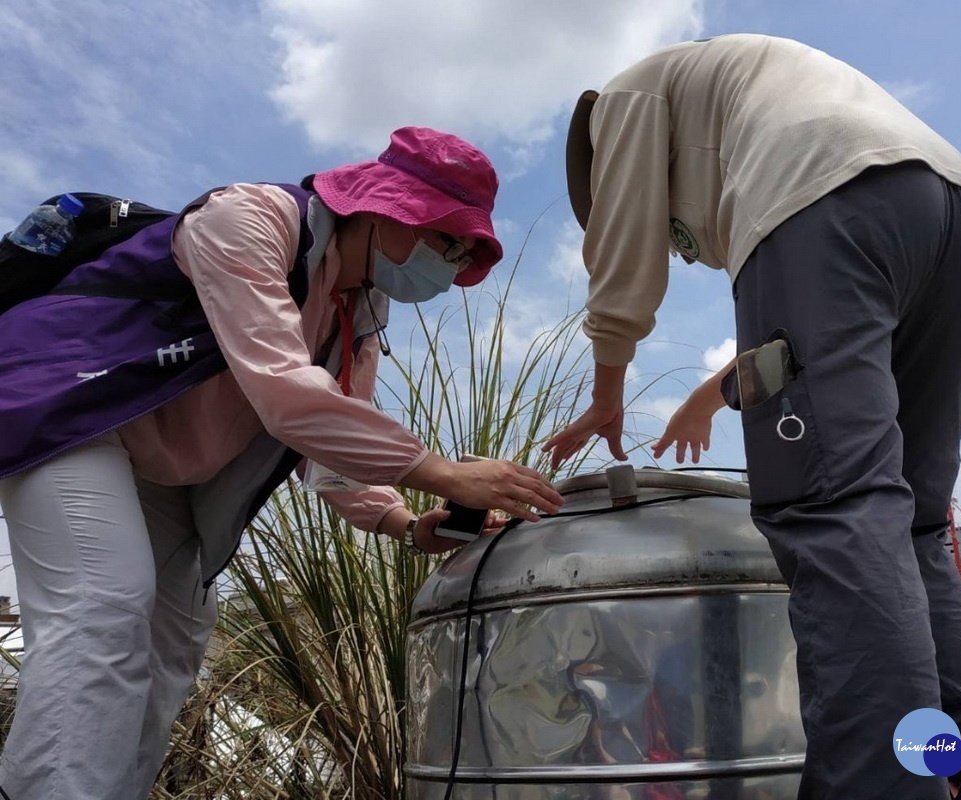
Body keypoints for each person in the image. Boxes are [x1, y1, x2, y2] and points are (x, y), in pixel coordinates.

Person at [0, 126, 564, 800]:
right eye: (449, 241)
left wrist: (403, 522)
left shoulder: (360, 312)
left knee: (172, 647)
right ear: (389, 209)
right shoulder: (248, 217)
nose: (453, 266)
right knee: (102, 603)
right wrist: (441, 470)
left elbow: (327, 443)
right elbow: (284, 394)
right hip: (67, 404)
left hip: (170, 467)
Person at [543, 35, 961, 800]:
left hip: (823, 203)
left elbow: (623, 255)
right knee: (916, 521)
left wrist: (606, 391)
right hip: (953, 210)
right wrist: (710, 394)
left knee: (836, 513)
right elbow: (823, 331)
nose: (686, 249)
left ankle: (878, 784)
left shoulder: (618, 102)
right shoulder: (735, 99)